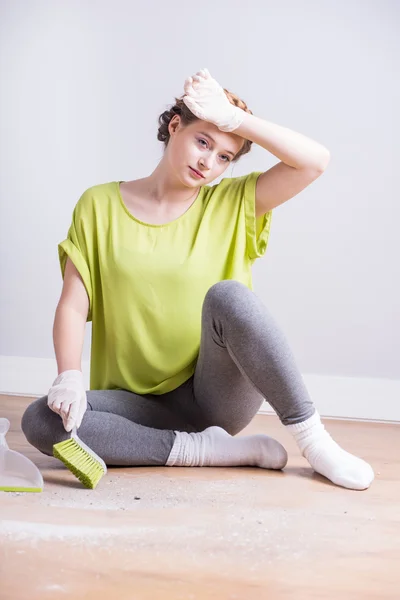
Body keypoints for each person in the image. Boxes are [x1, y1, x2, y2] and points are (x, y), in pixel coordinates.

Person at [21, 68, 374, 490]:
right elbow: (74, 303)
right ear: (175, 127)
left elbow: (315, 161)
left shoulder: (234, 202)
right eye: (202, 141)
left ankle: (315, 442)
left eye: (224, 156)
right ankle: (209, 451)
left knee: (230, 297)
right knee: (41, 421)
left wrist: (233, 120)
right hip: (133, 403)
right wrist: (69, 376)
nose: (208, 162)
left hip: (215, 396)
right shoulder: (98, 205)